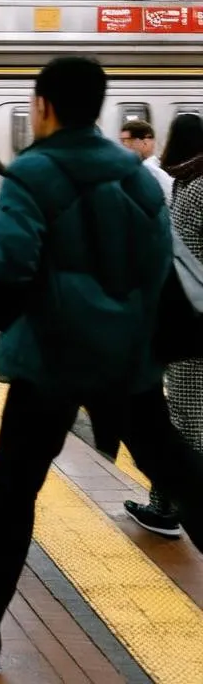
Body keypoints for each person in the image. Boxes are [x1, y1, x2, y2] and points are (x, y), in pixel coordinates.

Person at [0, 57, 203, 675]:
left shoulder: (34, 173)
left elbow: (10, 267)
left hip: (50, 362)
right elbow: (160, 268)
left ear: (44, 106)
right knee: (178, 474)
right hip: (127, 362)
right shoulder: (135, 175)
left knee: (16, 491)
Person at [124, 112, 203, 537]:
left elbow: (176, 257)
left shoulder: (191, 188)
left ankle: (168, 508)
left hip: (192, 318)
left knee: (186, 421)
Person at [120, 118, 173, 204]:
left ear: (145, 142)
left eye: (128, 141)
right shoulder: (157, 164)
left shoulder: (148, 169)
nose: (123, 145)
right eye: (122, 141)